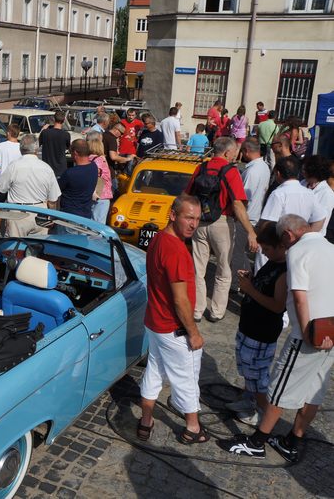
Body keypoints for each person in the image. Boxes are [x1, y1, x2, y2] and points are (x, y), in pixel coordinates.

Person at [219, 215, 334, 461]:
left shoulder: (298, 252)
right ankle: (292, 441)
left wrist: (306, 332)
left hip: (308, 335)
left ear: (288, 235)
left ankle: (257, 442)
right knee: (313, 391)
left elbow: (299, 297)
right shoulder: (329, 247)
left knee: (278, 389)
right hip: (330, 333)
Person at [137, 195, 208, 445]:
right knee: (186, 378)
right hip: (173, 327)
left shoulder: (158, 238)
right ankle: (192, 428)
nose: (193, 224)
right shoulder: (176, 250)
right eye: (189, 218)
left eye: (197, 219)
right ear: (173, 215)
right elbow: (180, 300)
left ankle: (146, 421)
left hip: (155, 322)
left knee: (154, 370)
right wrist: (194, 333)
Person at [184, 137, 258, 322]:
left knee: (198, 269)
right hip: (222, 223)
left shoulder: (201, 168)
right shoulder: (231, 171)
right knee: (223, 270)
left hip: (200, 223)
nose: (235, 155)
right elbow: (238, 204)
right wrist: (250, 231)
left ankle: (197, 310)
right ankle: (216, 312)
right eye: (234, 152)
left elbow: (186, 195)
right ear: (227, 152)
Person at [226, 224, 287, 426]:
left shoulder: (284, 271)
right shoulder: (272, 262)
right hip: (249, 328)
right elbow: (263, 288)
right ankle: (248, 400)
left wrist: (249, 289)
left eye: (267, 249)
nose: (264, 253)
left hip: (262, 333)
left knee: (258, 376)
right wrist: (251, 281)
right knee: (248, 370)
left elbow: (278, 306)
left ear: (281, 246)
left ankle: (262, 413)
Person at [0, 135, 61, 237]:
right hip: (40, 213)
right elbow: (52, 200)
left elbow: (0, 191)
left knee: (15, 245)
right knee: (39, 245)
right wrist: (51, 217)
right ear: (36, 150)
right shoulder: (47, 168)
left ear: (21, 149)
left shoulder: (13, 166)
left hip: (18, 214)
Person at [0, 124, 22, 235]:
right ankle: (10, 230)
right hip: (15, 182)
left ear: (8, 133)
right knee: (13, 208)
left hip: (1, 182)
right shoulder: (21, 147)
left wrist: (0, 165)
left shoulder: (0, 146)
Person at [58, 139, 98, 219]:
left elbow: (57, 189)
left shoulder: (70, 173)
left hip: (69, 216)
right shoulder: (94, 167)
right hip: (86, 215)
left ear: (75, 153)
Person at [240, 138, 271, 226]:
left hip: (246, 219)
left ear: (246, 151)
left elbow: (244, 198)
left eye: (242, 151)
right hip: (255, 216)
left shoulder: (251, 171)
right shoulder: (265, 166)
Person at [302, 155, 334, 231]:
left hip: (312, 234)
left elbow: (322, 221)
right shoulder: (302, 183)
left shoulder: (327, 193)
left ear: (313, 172)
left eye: (305, 169)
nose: (302, 172)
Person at [87, 131, 112, 223]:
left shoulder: (88, 159)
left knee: (90, 221)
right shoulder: (100, 160)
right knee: (99, 223)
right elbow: (100, 176)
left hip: (91, 193)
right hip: (101, 194)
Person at [39, 111, 70, 177]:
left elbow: (37, 144)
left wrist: (42, 129)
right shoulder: (66, 135)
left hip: (47, 168)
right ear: (63, 120)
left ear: (54, 119)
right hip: (61, 169)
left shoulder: (45, 133)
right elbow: (68, 148)